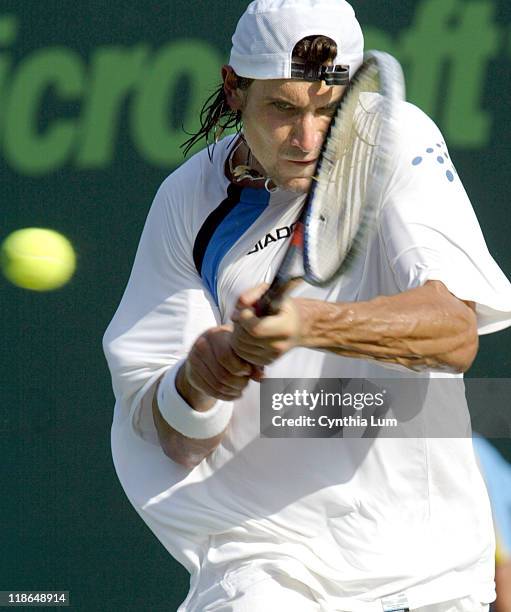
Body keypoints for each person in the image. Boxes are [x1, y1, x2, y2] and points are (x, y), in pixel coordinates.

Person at [103, 1, 511, 610]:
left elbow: (454, 334)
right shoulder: (186, 202)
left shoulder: (395, 139)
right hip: (261, 564)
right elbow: (178, 440)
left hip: (429, 569)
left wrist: (306, 324)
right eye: (284, 109)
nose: (309, 138)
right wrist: (203, 376)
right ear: (234, 89)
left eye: (330, 110)